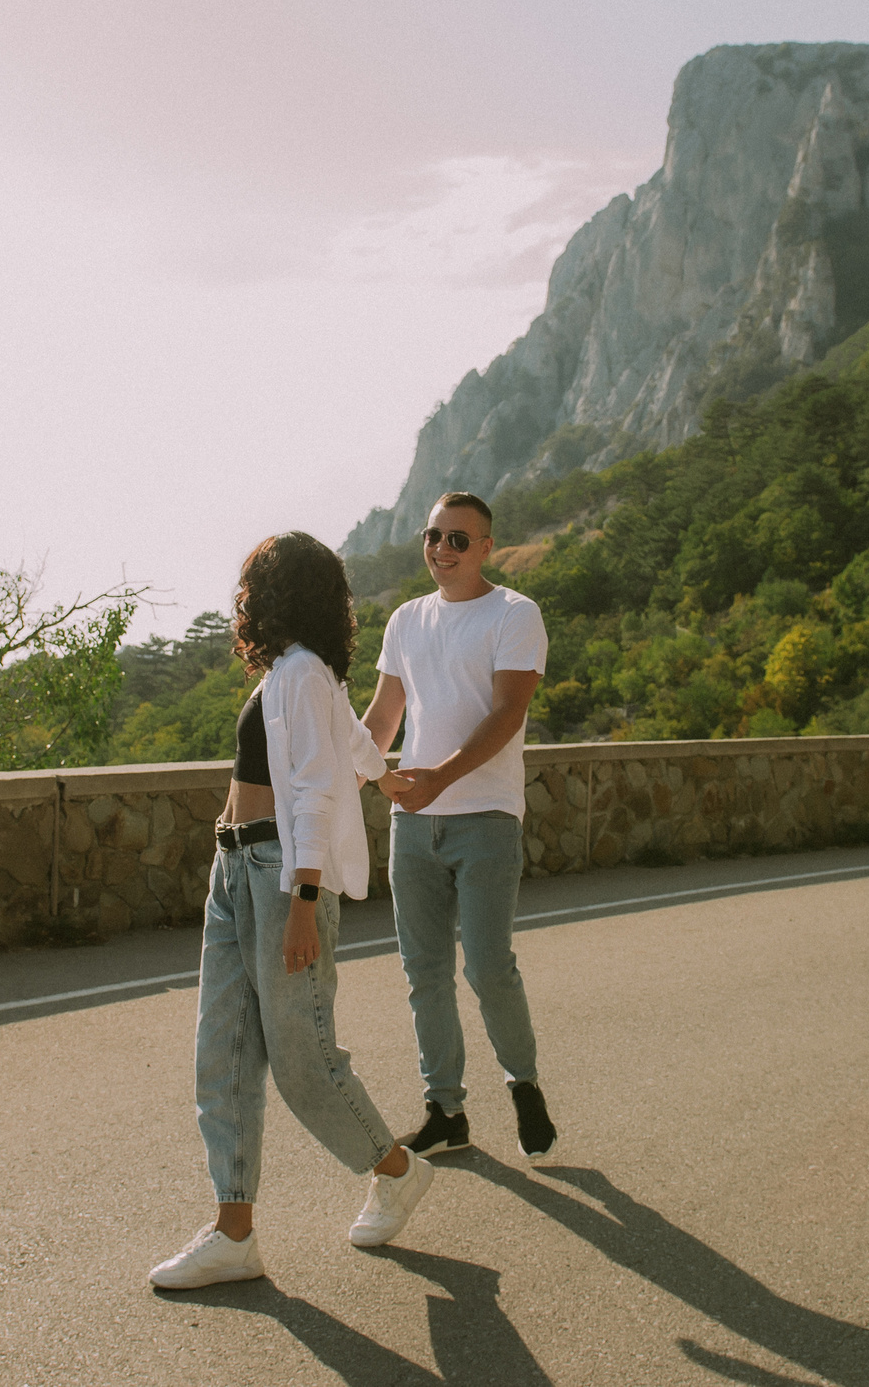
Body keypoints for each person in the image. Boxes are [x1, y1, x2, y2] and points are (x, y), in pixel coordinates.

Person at [149, 531, 433, 1290]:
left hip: (280, 875)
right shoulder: (299, 673)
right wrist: (386, 777)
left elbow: (311, 788)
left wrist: (305, 899)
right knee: (224, 1054)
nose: (244, 597)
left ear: (278, 592)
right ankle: (232, 1233)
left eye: (254, 584)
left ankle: (397, 1169)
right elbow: (349, 738)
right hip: (234, 867)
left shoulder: (302, 672)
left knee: (302, 1058)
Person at [363, 491, 560, 1162]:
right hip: (414, 824)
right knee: (424, 972)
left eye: (457, 539)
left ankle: (523, 1082)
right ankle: (445, 1110)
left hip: (486, 819)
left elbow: (508, 713)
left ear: (485, 548)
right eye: (433, 536)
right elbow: (383, 718)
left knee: (488, 965)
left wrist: (440, 778)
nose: (441, 550)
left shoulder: (514, 613)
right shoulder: (406, 620)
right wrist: (350, 771)